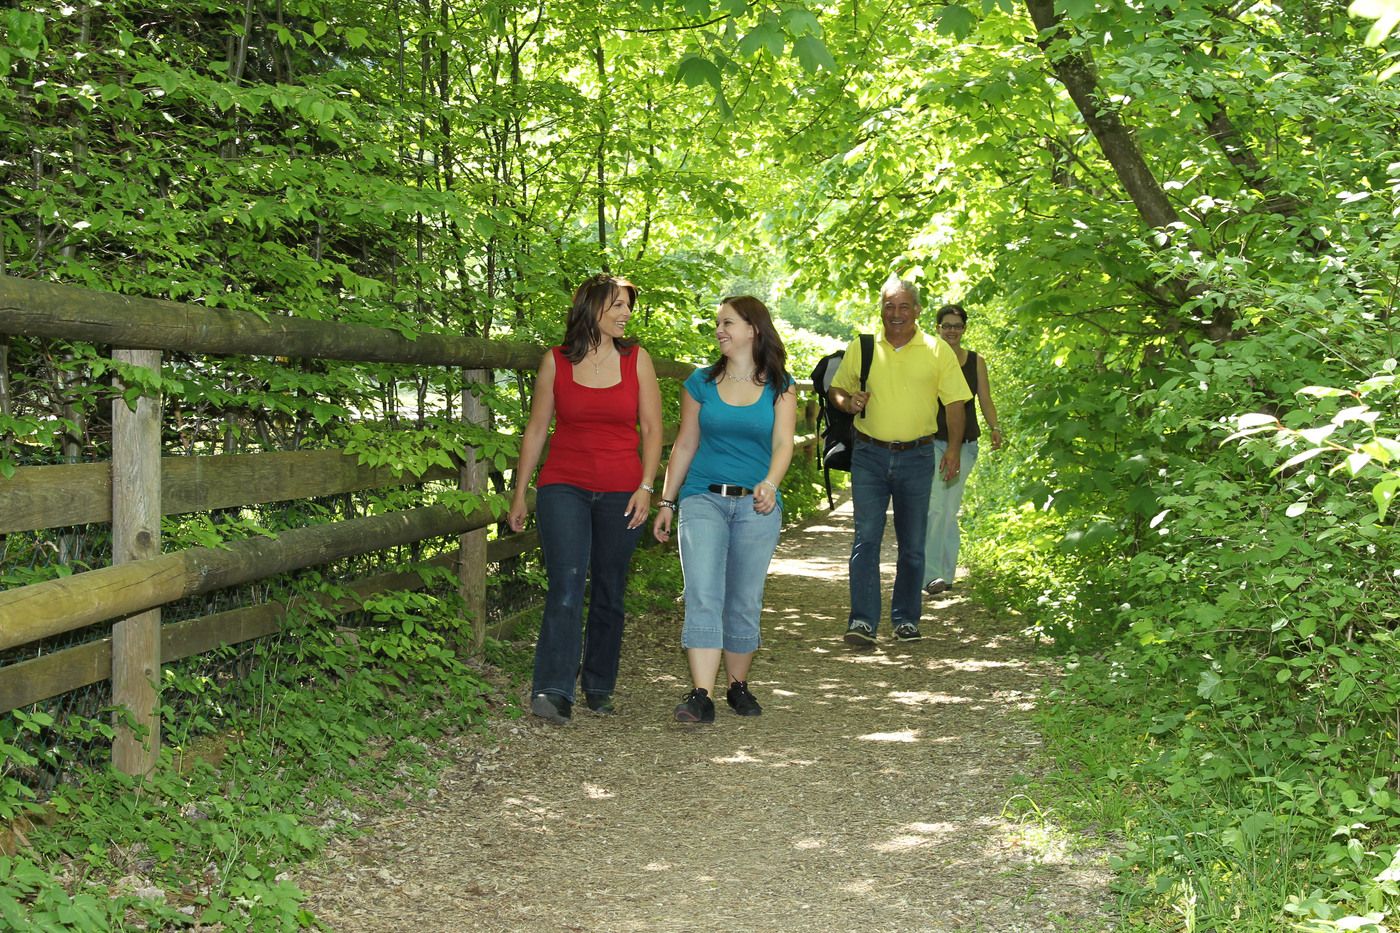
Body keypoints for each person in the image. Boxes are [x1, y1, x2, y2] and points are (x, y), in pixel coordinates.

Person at [507, 273, 663, 723]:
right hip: (564, 485)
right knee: (567, 586)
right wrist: (520, 492)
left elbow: (652, 430)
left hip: (622, 489)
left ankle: (598, 683)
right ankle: (553, 690)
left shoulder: (637, 360)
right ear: (590, 308)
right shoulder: (555, 361)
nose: (625, 313)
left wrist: (647, 486)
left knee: (611, 590)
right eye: (616, 304)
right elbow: (537, 428)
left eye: (628, 305)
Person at [652, 296, 796, 723]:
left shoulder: (779, 385)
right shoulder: (700, 382)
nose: (719, 330)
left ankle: (737, 686)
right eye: (718, 323)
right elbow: (685, 443)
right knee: (703, 591)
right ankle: (701, 694)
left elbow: (784, 444)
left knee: (744, 597)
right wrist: (666, 499)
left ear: (753, 329)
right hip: (702, 498)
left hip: (757, 504)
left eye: (728, 322)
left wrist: (770, 483)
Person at [827, 276, 971, 646]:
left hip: (918, 456)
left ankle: (906, 619)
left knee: (912, 543)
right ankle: (862, 622)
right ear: (881, 309)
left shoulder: (937, 350)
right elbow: (836, 390)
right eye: (889, 306)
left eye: (904, 306)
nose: (896, 313)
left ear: (917, 311)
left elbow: (956, 402)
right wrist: (849, 402)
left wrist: (953, 449)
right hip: (869, 455)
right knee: (866, 538)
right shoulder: (862, 346)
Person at [923, 303, 1002, 596]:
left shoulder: (975, 361)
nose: (952, 331)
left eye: (957, 326)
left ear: (964, 329)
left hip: (965, 444)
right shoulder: (927, 358)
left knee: (949, 508)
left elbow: (985, 399)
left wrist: (996, 427)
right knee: (934, 506)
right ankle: (931, 575)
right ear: (937, 328)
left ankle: (947, 572)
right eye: (947, 326)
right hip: (930, 442)